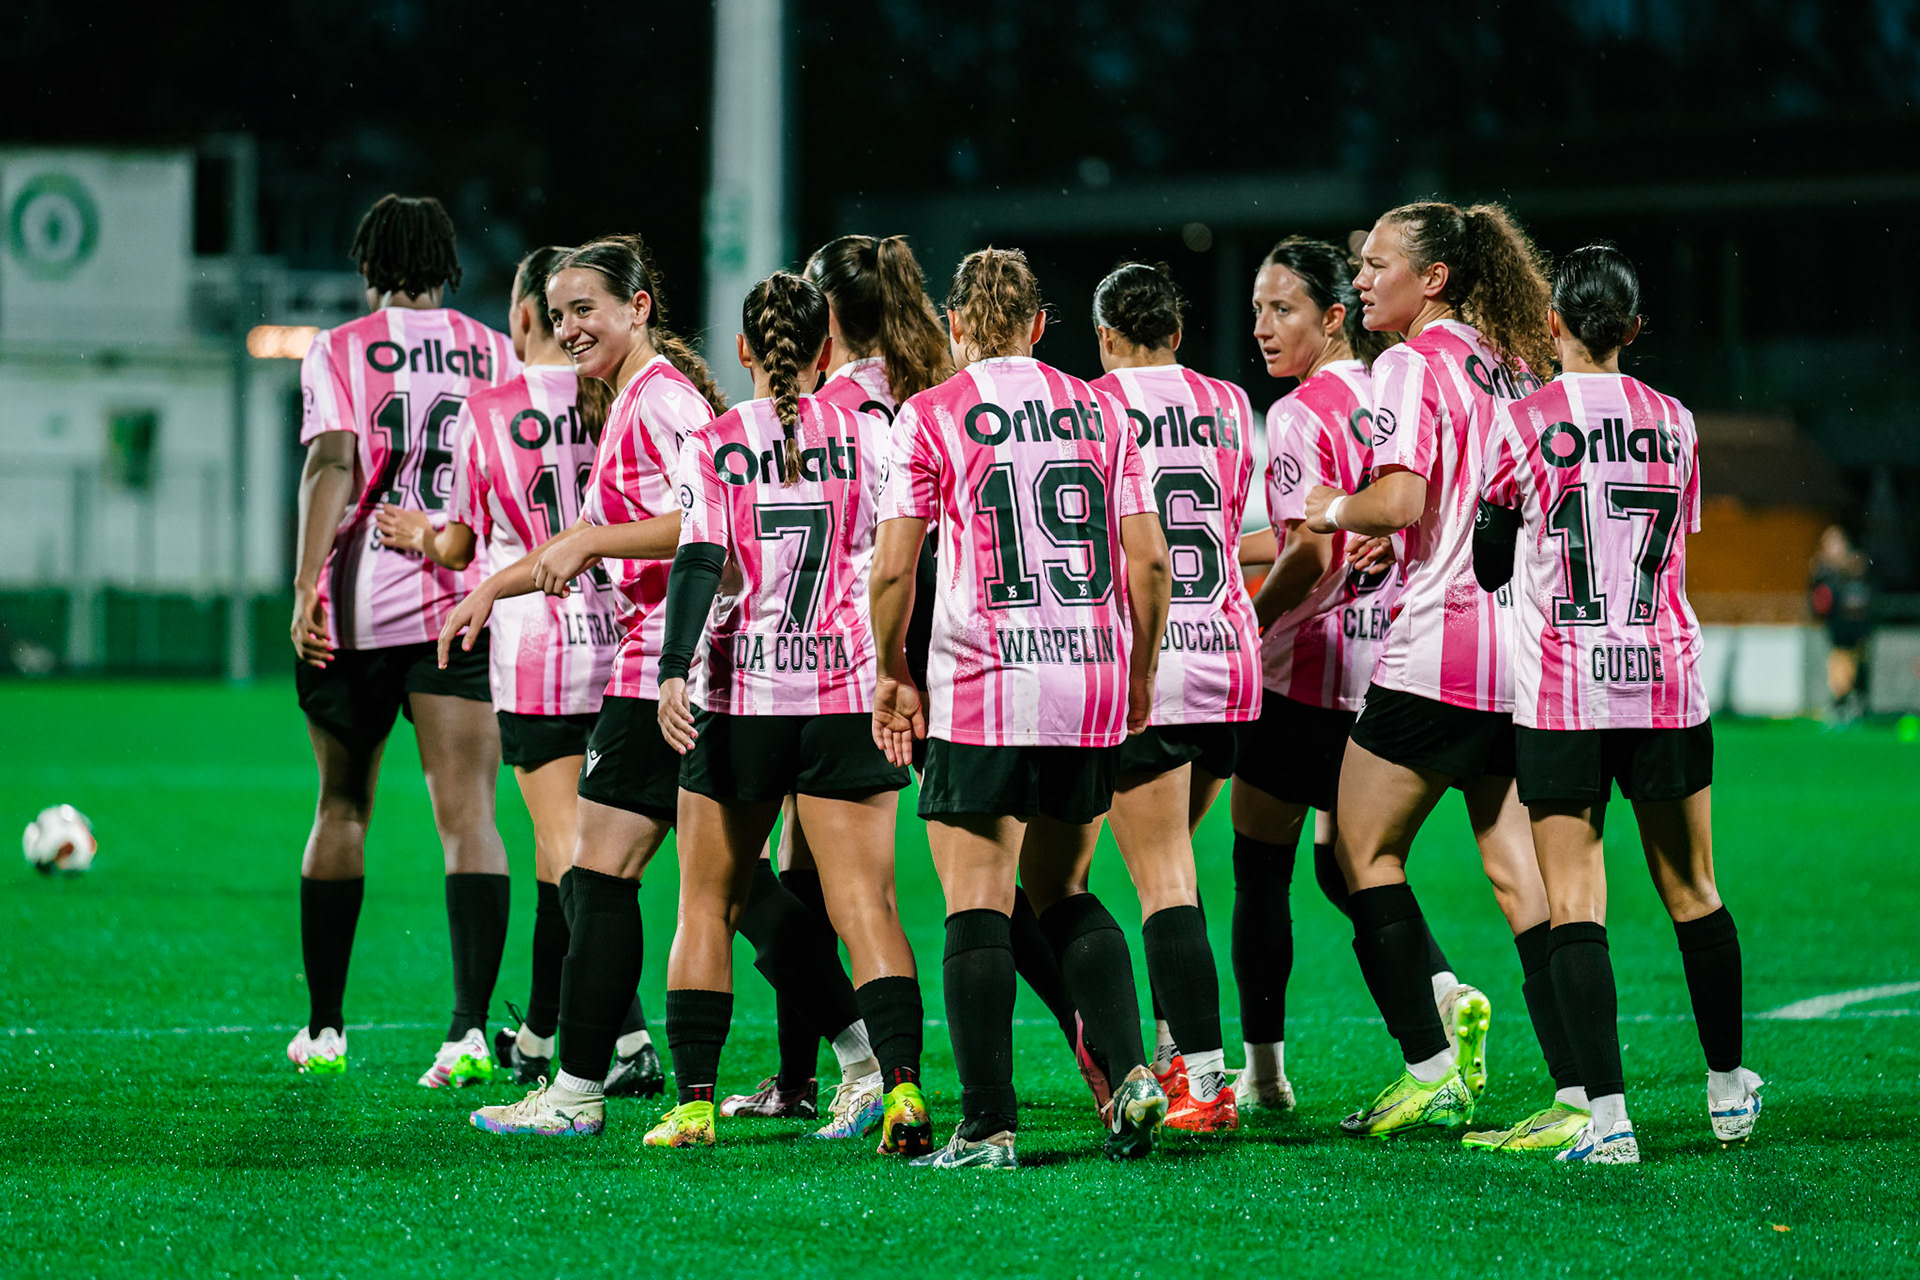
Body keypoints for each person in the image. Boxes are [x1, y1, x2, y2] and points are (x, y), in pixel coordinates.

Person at [870, 247, 1174, 1169]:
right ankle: (1129, 1074)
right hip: (1086, 678)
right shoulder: (1102, 410)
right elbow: (1151, 562)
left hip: (985, 681)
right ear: (1043, 326)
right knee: (1066, 891)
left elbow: (893, 568)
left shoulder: (930, 414)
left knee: (976, 905)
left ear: (956, 325)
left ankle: (989, 1125)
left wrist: (892, 672)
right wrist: (1143, 669)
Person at [1474, 243, 1761, 1162]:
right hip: (1664, 677)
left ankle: (1609, 1121)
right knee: (1695, 889)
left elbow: (1488, 563)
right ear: (1633, 330)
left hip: (1564, 685)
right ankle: (1726, 1090)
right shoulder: (1676, 422)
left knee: (1575, 903)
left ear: (1553, 323)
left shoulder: (1522, 423)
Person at [1300, 201, 1576, 1143]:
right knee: (1521, 879)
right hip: (1524, 648)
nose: (1361, 278)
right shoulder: (1511, 364)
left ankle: (1430, 1067)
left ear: (1437, 279)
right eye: (1358, 262)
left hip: (1438, 652)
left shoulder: (1410, 364)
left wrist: (1335, 509)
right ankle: (1581, 1097)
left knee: (1358, 853)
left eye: (1378, 265)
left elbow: (1403, 495)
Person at [645, 271, 929, 1153]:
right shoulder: (877, 434)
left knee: (706, 900)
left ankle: (693, 1104)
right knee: (869, 907)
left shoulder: (717, 438)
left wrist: (671, 672)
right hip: (847, 696)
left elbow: (697, 562)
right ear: (825, 350)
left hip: (744, 700)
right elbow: (898, 569)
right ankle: (905, 1094)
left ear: (744, 351)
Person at [373, 245, 659, 1095]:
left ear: (523, 314)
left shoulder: (487, 408)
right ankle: (541, 1032)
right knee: (556, 853)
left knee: (577, 856)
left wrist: (421, 534)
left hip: (535, 646)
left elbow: (461, 540)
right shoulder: (612, 393)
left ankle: (626, 1036)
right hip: (617, 634)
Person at [1230, 235, 1476, 1113]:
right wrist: (1232, 545)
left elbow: (1307, 546)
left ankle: (1264, 1076)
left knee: (1261, 868)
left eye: (1283, 308)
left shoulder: (1298, 414)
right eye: (1257, 307)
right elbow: (1345, 521)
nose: (1262, 326)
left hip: (1306, 672)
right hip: (1389, 671)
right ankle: (1441, 991)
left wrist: (1247, 625)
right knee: (1352, 864)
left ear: (1334, 318)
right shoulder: (1395, 385)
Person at [719, 233, 954, 1124]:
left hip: (869, 653)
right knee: (832, 869)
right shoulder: (924, 386)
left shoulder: (828, 406)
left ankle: (850, 1069)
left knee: (816, 874)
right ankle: (816, 1076)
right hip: (938, 638)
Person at [286, 194, 519, 1085]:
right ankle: (464, 1032)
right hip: (461, 599)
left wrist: (307, 581)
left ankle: (328, 1030)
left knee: (342, 807)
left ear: (369, 261)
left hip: (358, 607)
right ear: (446, 263)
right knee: (471, 820)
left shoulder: (341, 347)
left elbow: (334, 462)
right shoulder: (492, 349)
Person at [1086, 262, 1258, 1133]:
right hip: (1228, 657)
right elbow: (1232, 525)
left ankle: (1200, 1080)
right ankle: (1182, 1054)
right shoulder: (1229, 402)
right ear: (1178, 333)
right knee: (1178, 872)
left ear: (1107, 336)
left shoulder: (1091, 406)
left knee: (1160, 883)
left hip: (1146, 663)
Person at [1809, 525, 1872, 724]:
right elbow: (1818, 604)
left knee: (1856, 670)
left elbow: (1863, 598)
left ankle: (1856, 707)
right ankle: (1843, 707)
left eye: (1834, 542)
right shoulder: (1822, 572)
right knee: (1839, 671)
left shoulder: (1854, 567)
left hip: (1857, 631)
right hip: (1838, 633)